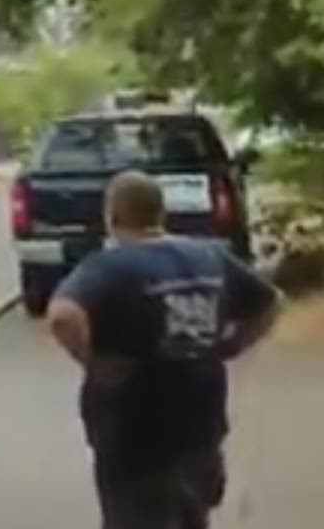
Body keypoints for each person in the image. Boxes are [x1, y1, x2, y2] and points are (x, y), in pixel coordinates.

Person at [45, 170, 282, 529]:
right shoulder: (208, 256)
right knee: (192, 517)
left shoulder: (109, 267)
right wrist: (232, 344)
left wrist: (93, 362)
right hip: (201, 427)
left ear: (113, 216)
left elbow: (62, 316)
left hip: (134, 434)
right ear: (161, 213)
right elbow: (271, 302)